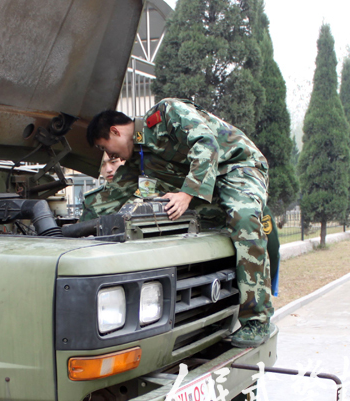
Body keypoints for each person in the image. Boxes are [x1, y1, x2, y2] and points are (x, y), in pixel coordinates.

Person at [86, 98, 274, 348]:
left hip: (238, 167)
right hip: (211, 188)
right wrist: (67, 233)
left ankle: (257, 320)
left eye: (105, 147)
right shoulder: (139, 161)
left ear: (115, 131)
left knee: (244, 221)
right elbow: (107, 199)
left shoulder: (166, 114)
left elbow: (206, 143)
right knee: (196, 238)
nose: (109, 156)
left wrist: (187, 194)